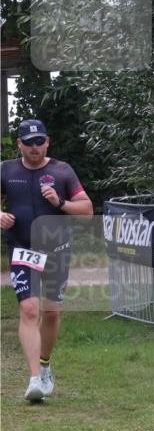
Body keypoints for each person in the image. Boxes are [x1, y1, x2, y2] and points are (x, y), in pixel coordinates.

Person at [1, 119, 93, 401]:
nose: (34, 147)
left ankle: (44, 365)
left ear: (48, 142)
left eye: (39, 141)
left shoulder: (62, 171)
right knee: (29, 310)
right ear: (19, 144)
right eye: (28, 142)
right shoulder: (6, 170)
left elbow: (87, 210)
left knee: (51, 313)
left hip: (56, 251)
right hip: (22, 250)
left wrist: (61, 203)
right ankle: (34, 380)